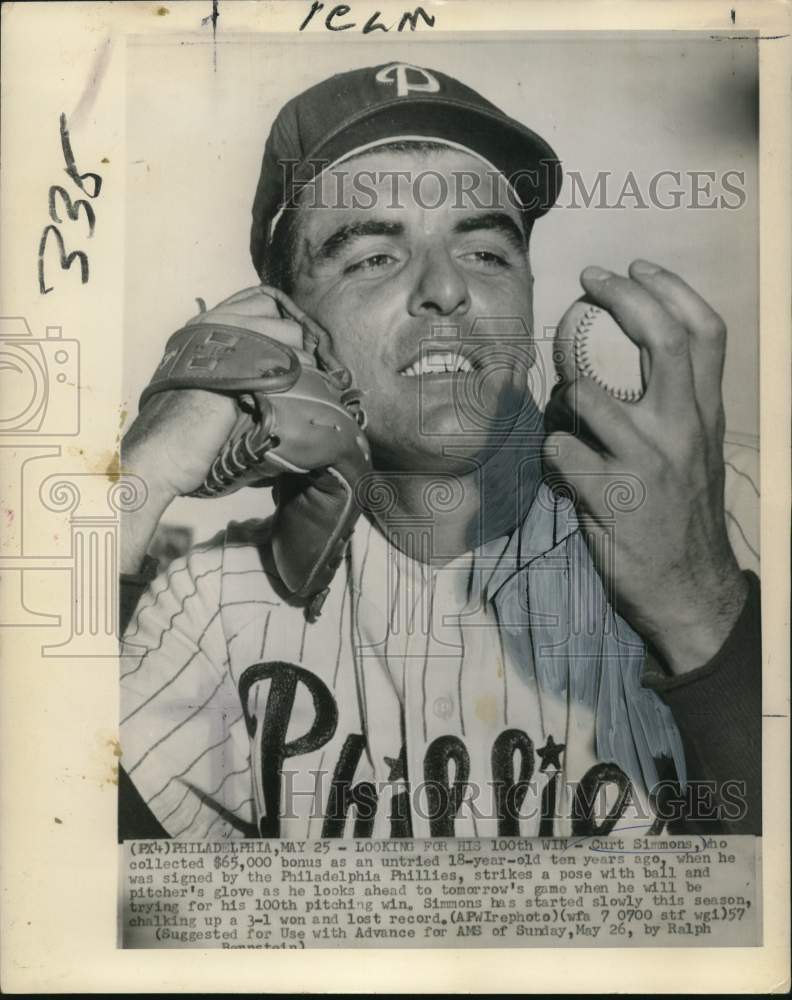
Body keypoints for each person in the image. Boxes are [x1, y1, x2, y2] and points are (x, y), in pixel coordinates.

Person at [118, 62, 760, 841]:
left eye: (486, 251)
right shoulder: (210, 606)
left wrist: (700, 601)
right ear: (283, 324)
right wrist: (138, 483)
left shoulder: (743, 505)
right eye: (373, 257)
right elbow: (61, 892)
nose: (447, 289)